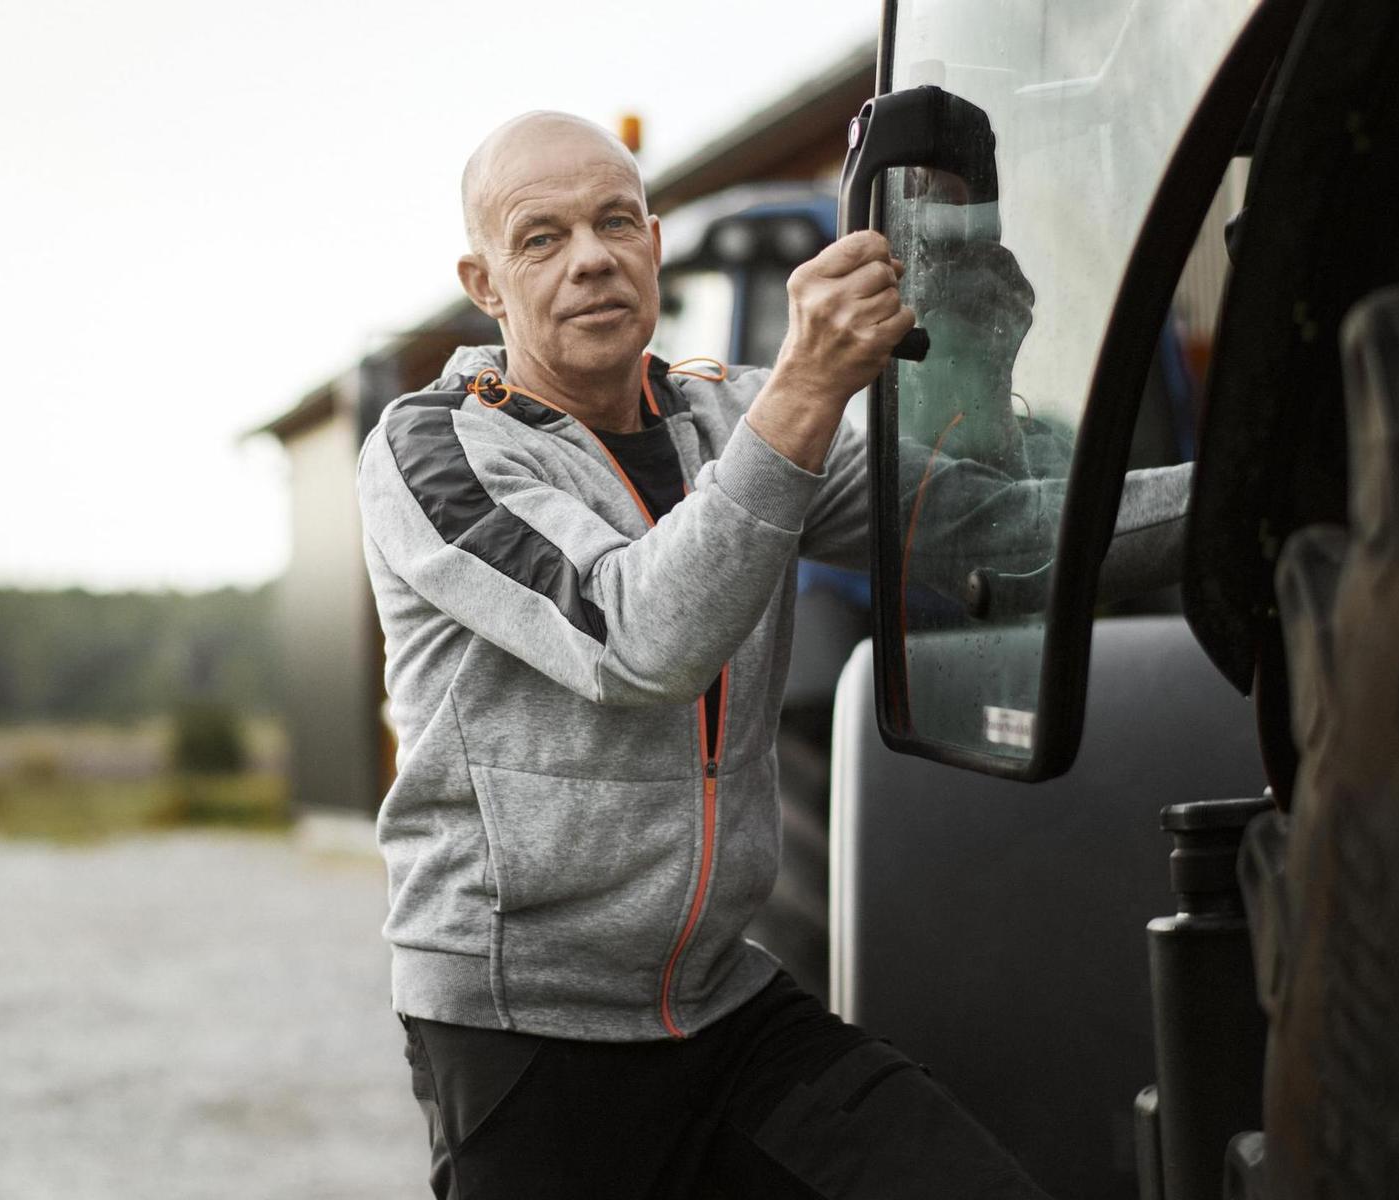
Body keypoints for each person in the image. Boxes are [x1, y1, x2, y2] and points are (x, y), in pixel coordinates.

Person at [357, 110, 1179, 1198]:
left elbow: (999, 532)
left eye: (614, 221)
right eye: (541, 237)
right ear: (484, 281)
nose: (591, 255)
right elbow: (635, 639)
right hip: (526, 1040)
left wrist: (1274, 492)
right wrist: (803, 388)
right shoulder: (432, 450)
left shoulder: (720, 419)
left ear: (652, 243)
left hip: (721, 1008)